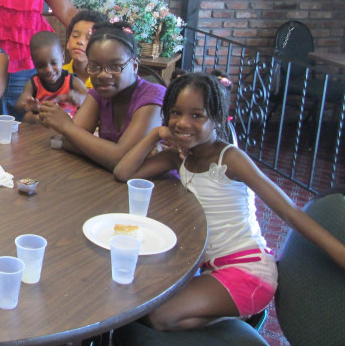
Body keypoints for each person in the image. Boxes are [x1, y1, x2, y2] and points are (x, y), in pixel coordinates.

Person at [113, 72, 345, 331]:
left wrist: (338, 252)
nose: (182, 123)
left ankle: (237, 316)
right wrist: (155, 134)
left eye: (197, 115)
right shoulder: (178, 157)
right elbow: (125, 173)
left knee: (158, 315)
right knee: (140, 298)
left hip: (248, 271)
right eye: (175, 113)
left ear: (218, 119)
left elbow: (288, 210)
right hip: (210, 269)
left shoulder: (230, 159)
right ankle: (226, 311)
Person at [39, 22, 165, 171]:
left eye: (114, 67)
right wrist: (104, 151)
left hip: (156, 189)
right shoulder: (100, 94)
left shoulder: (152, 97)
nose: (103, 74)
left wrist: (66, 126)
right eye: (94, 67)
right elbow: (71, 141)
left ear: (134, 66)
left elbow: (121, 161)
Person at [15, 31, 86, 124]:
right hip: (43, 124)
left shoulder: (72, 81)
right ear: (34, 64)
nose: (48, 69)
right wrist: (28, 105)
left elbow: (89, 99)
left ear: (62, 58)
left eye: (54, 63)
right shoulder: (34, 83)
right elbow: (19, 105)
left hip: (68, 125)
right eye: (41, 65)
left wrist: (79, 98)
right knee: (28, 117)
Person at [63, 9, 109, 88]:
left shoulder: (106, 80)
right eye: (75, 36)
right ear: (68, 43)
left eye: (89, 38)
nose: (80, 41)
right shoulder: (57, 75)